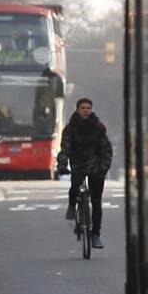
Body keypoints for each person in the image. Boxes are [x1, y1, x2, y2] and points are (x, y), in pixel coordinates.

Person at [57, 97, 112, 249]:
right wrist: (62, 165)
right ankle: (71, 204)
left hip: (95, 164)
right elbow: (65, 149)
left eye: (88, 108)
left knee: (96, 202)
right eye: (83, 107)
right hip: (78, 163)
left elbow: (106, 149)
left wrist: (104, 166)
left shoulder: (98, 127)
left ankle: (96, 236)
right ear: (77, 109)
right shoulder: (70, 128)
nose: (86, 110)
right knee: (75, 186)